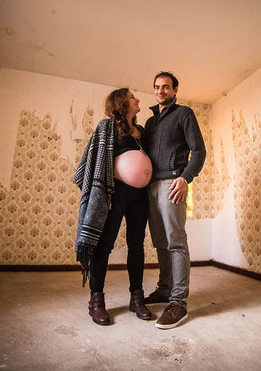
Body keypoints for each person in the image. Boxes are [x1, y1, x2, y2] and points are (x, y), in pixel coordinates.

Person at [74, 88, 153, 325]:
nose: (137, 99)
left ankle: (136, 299)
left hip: (140, 195)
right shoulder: (107, 127)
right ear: (121, 102)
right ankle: (96, 301)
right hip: (114, 194)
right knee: (104, 245)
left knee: (136, 245)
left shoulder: (142, 132)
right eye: (132, 97)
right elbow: (92, 161)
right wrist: (101, 195)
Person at [144, 72, 206, 329]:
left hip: (172, 184)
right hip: (150, 186)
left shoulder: (184, 114)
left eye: (166, 87)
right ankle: (165, 288)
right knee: (160, 242)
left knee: (175, 243)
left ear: (175, 89)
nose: (160, 91)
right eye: (157, 87)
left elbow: (199, 150)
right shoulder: (149, 122)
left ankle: (178, 302)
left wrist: (185, 178)